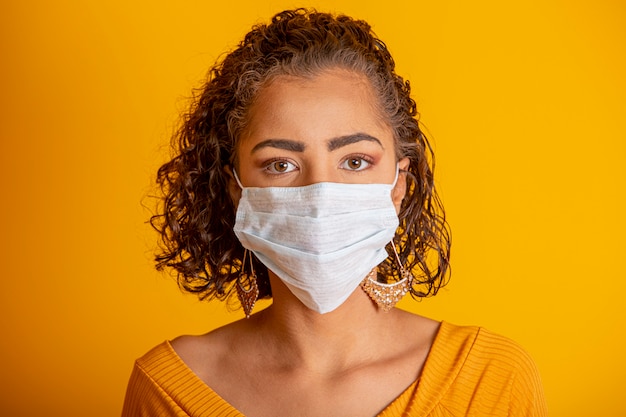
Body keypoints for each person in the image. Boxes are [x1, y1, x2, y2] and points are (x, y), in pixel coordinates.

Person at [122, 8, 547, 417]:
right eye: (280, 164)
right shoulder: (170, 389)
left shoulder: (491, 380)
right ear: (238, 191)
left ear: (399, 183)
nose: (320, 193)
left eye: (355, 161)